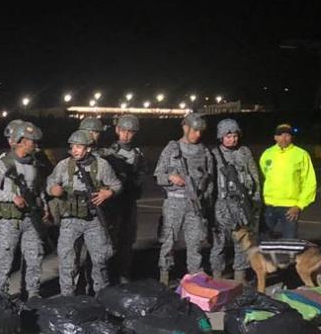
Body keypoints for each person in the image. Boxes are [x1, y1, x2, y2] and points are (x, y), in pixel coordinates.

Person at [47, 129, 121, 296]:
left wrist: (107, 193)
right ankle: (68, 298)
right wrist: (53, 189)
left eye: (79, 146)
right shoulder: (64, 165)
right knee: (67, 262)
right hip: (70, 220)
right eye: (72, 146)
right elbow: (51, 181)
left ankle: (101, 296)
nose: (75, 150)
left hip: (94, 220)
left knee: (100, 260)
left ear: (88, 148)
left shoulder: (102, 165)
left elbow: (116, 185)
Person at [0, 120, 46, 299]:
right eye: (31, 141)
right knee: (4, 260)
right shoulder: (4, 162)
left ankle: (33, 294)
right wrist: (12, 197)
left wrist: (43, 205)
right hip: (9, 219)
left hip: (31, 218)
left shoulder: (34, 162)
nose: (35, 145)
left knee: (35, 258)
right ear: (20, 141)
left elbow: (38, 187)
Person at [155, 113, 214, 284]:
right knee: (168, 242)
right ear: (185, 128)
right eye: (195, 130)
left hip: (195, 204)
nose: (198, 135)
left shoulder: (204, 152)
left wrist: (204, 200)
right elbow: (158, 175)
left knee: (195, 244)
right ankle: (164, 277)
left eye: (201, 131)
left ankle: (194, 278)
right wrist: (170, 178)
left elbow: (210, 179)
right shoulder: (172, 149)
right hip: (174, 202)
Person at [209, 118, 262, 280]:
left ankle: (240, 276)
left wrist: (256, 202)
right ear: (221, 137)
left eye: (235, 136)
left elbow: (254, 177)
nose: (233, 139)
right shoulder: (213, 155)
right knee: (219, 243)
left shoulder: (244, 152)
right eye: (228, 136)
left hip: (242, 205)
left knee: (242, 243)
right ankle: (217, 276)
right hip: (222, 205)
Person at [103, 114, 145, 281]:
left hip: (129, 202)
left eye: (131, 132)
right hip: (113, 203)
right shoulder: (108, 153)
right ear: (117, 130)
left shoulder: (138, 154)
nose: (126, 135)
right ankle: (108, 275)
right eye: (124, 131)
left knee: (127, 239)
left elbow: (142, 175)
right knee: (110, 239)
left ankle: (124, 273)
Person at [260, 123, 317, 239]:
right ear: (275, 137)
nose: (284, 138)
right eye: (280, 135)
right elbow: (263, 176)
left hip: (290, 208)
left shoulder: (301, 154)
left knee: (290, 244)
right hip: (269, 206)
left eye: (287, 135)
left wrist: (299, 205)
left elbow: (310, 182)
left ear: (291, 137)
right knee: (263, 243)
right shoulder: (267, 154)